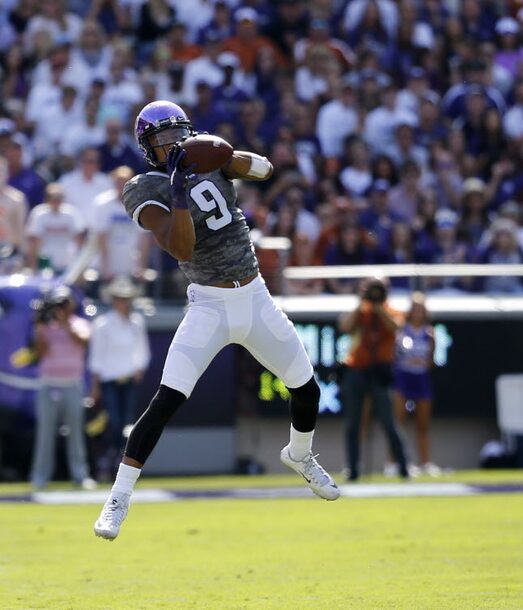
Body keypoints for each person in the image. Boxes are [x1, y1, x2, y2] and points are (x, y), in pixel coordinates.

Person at [94, 101, 339, 542]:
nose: (171, 146)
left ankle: (299, 455)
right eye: (160, 140)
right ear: (147, 147)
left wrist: (227, 156)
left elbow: (263, 170)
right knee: (165, 402)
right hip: (209, 304)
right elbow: (182, 249)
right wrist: (179, 188)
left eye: (176, 136)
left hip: (257, 296)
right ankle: (118, 498)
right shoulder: (143, 186)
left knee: (306, 387)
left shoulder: (207, 157)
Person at [338, 276, 409, 481]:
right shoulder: (362, 310)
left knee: (389, 422)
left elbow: (395, 326)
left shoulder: (390, 310)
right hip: (356, 370)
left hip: (380, 371)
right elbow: (345, 326)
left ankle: (403, 466)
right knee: (353, 422)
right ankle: (352, 468)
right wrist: (363, 304)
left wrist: (379, 308)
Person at [30, 286, 96, 491]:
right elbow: (40, 352)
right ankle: (40, 477)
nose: (61, 308)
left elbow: (83, 341)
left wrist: (65, 322)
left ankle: (81, 475)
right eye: (58, 304)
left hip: (72, 385)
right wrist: (39, 325)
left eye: (64, 304)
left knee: (76, 434)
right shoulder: (46, 327)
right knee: (45, 434)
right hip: (48, 384)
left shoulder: (80, 323)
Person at [88, 277, 150, 481]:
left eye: (127, 298)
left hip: (129, 381)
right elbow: (97, 356)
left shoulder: (136, 322)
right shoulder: (102, 324)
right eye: (120, 298)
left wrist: (139, 368)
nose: (124, 302)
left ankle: (122, 465)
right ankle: (109, 459)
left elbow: (142, 351)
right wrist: (95, 385)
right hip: (109, 380)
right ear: (114, 300)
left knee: (127, 425)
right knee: (113, 422)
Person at [392, 293, 440, 477]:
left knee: (423, 424)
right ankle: (394, 462)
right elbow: (395, 356)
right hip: (403, 379)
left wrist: (422, 363)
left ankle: (426, 463)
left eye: (421, 309)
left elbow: (431, 360)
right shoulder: (401, 331)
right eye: (415, 309)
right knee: (398, 423)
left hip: (421, 380)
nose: (418, 313)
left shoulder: (430, 333)